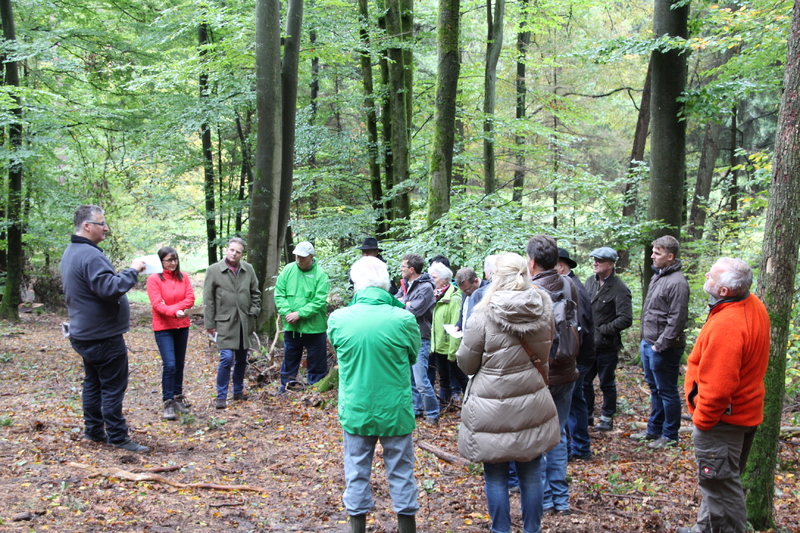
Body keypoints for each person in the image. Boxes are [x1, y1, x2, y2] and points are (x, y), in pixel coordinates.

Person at [457, 253, 560, 533]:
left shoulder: (482, 314)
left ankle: (501, 530)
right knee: (531, 475)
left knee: (496, 477)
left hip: (492, 407)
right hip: (532, 400)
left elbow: (466, 362)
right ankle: (532, 529)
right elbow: (547, 350)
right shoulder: (543, 308)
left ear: (493, 277)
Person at [328, 257, 421, 533]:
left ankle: (356, 527)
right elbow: (413, 355)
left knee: (355, 472)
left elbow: (339, 352)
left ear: (355, 285)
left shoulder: (339, 319)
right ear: (386, 283)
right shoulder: (404, 319)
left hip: (356, 408)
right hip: (396, 410)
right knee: (402, 473)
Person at [677, 258, 770, 533]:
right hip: (741, 414)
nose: (706, 275)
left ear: (724, 291)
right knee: (719, 481)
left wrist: (703, 421)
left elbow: (718, 387)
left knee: (720, 484)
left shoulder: (728, 324)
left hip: (723, 422)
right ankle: (704, 529)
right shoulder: (750, 303)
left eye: (712, 275)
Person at [61, 205, 148, 452]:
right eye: (102, 223)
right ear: (87, 226)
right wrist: (133, 270)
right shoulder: (89, 255)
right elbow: (109, 289)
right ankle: (118, 437)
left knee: (93, 383)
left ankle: (94, 431)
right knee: (112, 385)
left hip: (85, 333)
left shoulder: (72, 251)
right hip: (102, 337)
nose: (106, 228)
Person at [527, 236, 580, 515]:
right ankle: (562, 498)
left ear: (532, 261)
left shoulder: (530, 291)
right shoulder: (569, 283)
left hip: (541, 374)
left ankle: (546, 499)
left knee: (538, 436)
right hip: (568, 371)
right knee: (557, 436)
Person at [632, 235, 690, 449]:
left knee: (667, 391)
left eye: (657, 253)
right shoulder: (659, 276)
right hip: (649, 344)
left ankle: (670, 435)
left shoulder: (678, 283)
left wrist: (660, 345)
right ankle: (653, 431)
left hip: (664, 348)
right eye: (653, 251)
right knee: (655, 390)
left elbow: (677, 319)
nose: (652, 256)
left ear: (670, 256)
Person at [204, 237, 261, 409]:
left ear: (242, 254)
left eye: (238, 252)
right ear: (226, 250)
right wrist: (209, 323)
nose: (234, 254)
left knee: (242, 359)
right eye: (231, 250)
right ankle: (221, 396)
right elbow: (208, 299)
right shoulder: (214, 270)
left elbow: (255, 293)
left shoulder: (248, 269)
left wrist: (254, 312)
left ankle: (238, 391)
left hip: (244, 322)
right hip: (224, 323)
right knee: (227, 358)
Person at [584, 246, 632, 431]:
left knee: (606, 383)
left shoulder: (619, 288)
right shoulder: (589, 282)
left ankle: (607, 418)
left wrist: (604, 330)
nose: (595, 263)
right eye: (594, 259)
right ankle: (588, 415)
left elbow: (626, 318)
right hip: (588, 345)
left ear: (610, 264)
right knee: (585, 381)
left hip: (607, 346)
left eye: (600, 260)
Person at [147, 246, 196, 420]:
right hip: (163, 327)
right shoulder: (154, 279)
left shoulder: (184, 277)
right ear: (161, 261)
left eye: (175, 259)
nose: (172, 263)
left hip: (182, 325)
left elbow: (190, 298)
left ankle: (177, 397)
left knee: (180, 364)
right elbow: (157, 304)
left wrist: (177, 310)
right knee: (170, 365)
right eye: (168, 260)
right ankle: (167, 401)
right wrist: (174, 311)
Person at [274, 241, 330, 392]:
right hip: (292, 327)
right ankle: (286, 386)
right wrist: (287, 313)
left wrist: (300, 314)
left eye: (303, 257)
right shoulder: (288, 270)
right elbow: (279, 294)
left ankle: (315, 388)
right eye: (297, 256)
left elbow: (319, 301)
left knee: (317, 361)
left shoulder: (321, 274)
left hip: (314, 327)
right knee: (290, 358)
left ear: (312, 256)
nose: (299, 259)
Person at [557, 248, 595, 461]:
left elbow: (576, 328)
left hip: (577, 358)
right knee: (575, 401)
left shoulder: (574, 289)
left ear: (561, 266)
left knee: (572, 402)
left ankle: (578, 447)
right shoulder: (570, 286)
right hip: (579, 356)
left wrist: (568, 356)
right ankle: (579, 446)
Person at [396, 253, 439, 425]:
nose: (401, 269)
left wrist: (404, 303)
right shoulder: (406, 283)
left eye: (403, 267)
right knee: (411, 378)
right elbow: (396, 301)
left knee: (421, 380)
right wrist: (406, 302)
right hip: (406, 335)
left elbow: (413, 311)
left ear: (412, 269)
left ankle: (433, 413)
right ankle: (416, 409)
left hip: (421, 336)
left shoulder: (426, 287)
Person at [429, 262, 468, 406]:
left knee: (461, 379)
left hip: (450, 348)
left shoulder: (454, 298)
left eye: (435, 277)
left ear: (444, 280)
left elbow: (455, 326)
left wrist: (453, 353)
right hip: (439, 347)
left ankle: (471, 406)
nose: (432, 280)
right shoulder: (435, 296)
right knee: (444, 380)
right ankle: (444, 407)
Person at [454, 267, 488, 332]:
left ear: (476, 281)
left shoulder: (487, 291)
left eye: (467, 290)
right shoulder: (467, 291)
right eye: (462, 291)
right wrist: (459, 325)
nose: (465, 293)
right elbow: (463, 311)